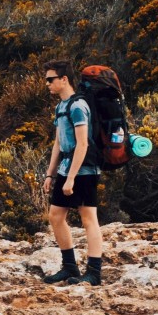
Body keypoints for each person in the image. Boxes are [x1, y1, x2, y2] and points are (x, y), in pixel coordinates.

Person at [40, 60, 104, 286]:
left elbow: (83, 144)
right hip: (67, 169)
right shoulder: (60, 107)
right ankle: (69, 267)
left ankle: (94, 273)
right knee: (56, 216)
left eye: (50, 79)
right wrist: (50, 174)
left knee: (89, 219)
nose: (47, 83)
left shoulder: (78, 106)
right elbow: (58, 142)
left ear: (63, 79)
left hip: (84, 171)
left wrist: (71, 178)